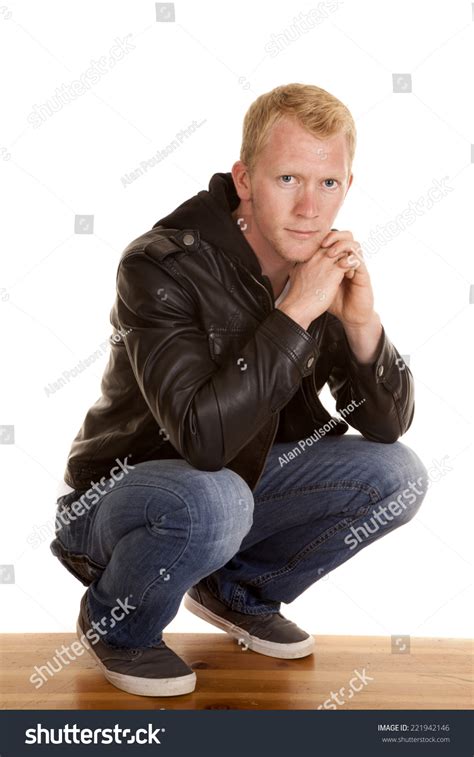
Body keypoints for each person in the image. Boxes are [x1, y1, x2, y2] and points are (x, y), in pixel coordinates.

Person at [50, 83, 428, 698]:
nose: (310, 207)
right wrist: (295, 315)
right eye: (287, 180)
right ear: (245, 179)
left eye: (327, 184)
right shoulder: (160, 264)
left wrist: (361, 323)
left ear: (348, 186)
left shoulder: (318, 264)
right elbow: (203, 440)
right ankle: (118, 626)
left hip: (234, 492)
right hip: (119, 500)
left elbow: (384, 425)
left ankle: (236, 589)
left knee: (399, 476)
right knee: (216, 496)